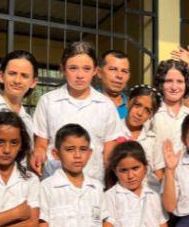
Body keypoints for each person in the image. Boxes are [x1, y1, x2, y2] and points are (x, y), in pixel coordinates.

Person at [30, 41, 121, 183]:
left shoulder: (106, 106)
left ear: (95, 71)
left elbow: (109, 153)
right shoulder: (48, 101)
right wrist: (38, 154)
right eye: (73, 68)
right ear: (63, 69)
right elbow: (41, 144)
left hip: (93, 185)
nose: (80, 75)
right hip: (54, 183)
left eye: (86, 69)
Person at [97, 50, 131, 118]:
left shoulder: (133, 108)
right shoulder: (87, 102)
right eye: (113, 69)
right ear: (99, 73)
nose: (119, 76)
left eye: (124, 71)